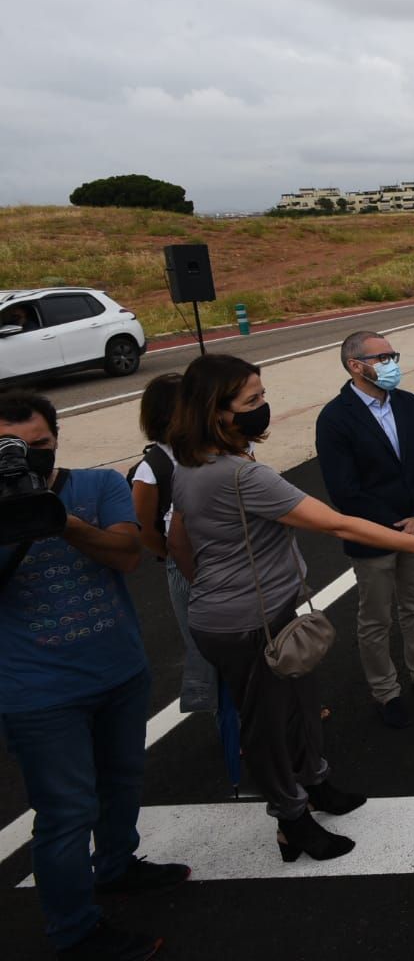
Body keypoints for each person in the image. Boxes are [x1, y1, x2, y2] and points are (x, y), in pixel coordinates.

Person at [167, 354, 414, 863]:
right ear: (217, 413)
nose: (265, 408)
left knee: (301, 707)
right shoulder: (240, 477)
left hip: (264, 614)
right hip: (245, 624)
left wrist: (214, 587)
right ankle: (292, 818)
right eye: (252, 401)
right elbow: (335, 524)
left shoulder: (196, 466)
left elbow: (180, 542)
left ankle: (316, 783)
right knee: (267, 725)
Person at [1, 391, 189, 961]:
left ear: (57, 438)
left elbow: (128, 554)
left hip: (118, 669)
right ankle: (74, 930)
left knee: (122, 781)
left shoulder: (98, 485)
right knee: (65, 812)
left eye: (37, 446)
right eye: (11, 448)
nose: (25, 457)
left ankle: (114, 866)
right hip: (37, 692)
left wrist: (58, 519)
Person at [315, 331, 414, 732]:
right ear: (355, 365)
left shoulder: (406, 403)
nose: (391, 363)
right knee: (375, 618)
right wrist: (395, 527)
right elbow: (344, 490)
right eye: (381, 358)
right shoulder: (334, 418)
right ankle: (386, 691)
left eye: (392, 355)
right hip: (372, 535)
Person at [130, 372, 217, 715]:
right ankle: (227, 718)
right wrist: (172, 554)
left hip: (225, 554)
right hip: (186, 565)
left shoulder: (209, 450)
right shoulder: (152, 468)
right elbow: (144, 528)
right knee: (205, 643)